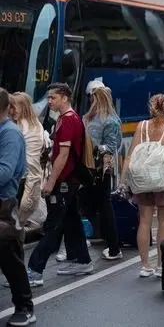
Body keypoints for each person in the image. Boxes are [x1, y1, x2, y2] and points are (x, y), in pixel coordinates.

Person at [28, 83, 93, 285]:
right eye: (48, 98)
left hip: (64, 181)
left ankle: (35, 270)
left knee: (52, 226)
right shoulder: (66, 119)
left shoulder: (68, 121)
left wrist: (51, 181)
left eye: (53, 98)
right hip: (70, 180)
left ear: (65, 98)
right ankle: (83, 261)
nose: (49, 101)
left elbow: (63, 156)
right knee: (72, 220)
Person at [121, 94, 164, 277]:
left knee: (145, 221)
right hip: (162, 180)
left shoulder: (142, 126)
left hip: (142, 180)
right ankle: (161, 265)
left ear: (150, 107)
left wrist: (124, 180)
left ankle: (145, 265)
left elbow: (131, 155)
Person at [0, 88, 36, 326]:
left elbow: (5, 172)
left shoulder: (10, 134)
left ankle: (25, 306)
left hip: (4, 204)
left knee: (10, 258)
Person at [84, 86, 123, 261]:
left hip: (98, 168)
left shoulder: (100, 119)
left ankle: (112, 246)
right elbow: (114, 145)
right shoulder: (109, 119)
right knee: (100, 206)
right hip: (97, 168)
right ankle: (111, 245)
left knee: (100, 206)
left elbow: (110, 147)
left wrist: (92, 149)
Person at [8, 92, 47, 229]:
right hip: (19, 180)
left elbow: (31, 163)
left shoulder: (28, 128)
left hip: (21, 181)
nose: (11, 110)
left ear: (23, 107)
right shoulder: (25, 124)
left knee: (15, 223)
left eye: (14, 107)